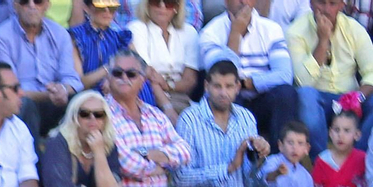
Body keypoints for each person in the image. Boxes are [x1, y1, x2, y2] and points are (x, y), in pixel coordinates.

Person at [172, 58, 265, 187]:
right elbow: (180, 179)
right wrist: (228, 168)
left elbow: (251, 183)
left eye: (229, 86)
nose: (223, 92)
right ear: (207, 86)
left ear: (238, 87)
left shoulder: (246, 118)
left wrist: (259, 159)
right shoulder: (189, 120)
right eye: (217, 86)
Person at [200, 0, 297, 146]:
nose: (243, 2)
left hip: (262, 99)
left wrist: (247, 83)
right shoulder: (210, 32)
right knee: (225, 92)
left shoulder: (271, 29)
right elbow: (221, 75)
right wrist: (235, 34)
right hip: (230, 99)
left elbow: (284, 75)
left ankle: (279, 160)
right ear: (226, 2)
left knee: (286, 93)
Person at [105, 49, 192, 187]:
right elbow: (127, 165)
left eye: (131, 74)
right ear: (109, 77)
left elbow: (185, 151)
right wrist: (163, 167)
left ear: (142, 80)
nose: (124, 78)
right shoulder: (101, 113)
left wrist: (147, 153)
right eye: (117, 73)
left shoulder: (154, 114)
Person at [287, 0, 373, 152]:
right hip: (318, 103)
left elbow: (371, 71)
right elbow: (302, 81)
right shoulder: (295, 32)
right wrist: (323, 41)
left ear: (342, 6)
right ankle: (322, 161)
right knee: (305, 95)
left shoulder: (354, 28)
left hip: (351, 100)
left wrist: (357, 98)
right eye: (321, 2)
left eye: (332, 3)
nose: (326, 9)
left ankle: (356, 159)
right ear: (311, 3)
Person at [0, 0, 82, 139]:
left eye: (38, 1)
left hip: (56, 100)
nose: (32, 6)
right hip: (24, 102)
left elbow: (72, 78)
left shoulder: (60, 34)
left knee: (83, 101)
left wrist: (63, 90)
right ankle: (34, 159)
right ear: (15, 6)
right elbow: (10, 87)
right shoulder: (2, 36)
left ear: (47, 5)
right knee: (24, 105)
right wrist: (47, 95)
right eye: (24, 2)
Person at [131, 0, 199, 123]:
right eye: (156, 2)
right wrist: (167, 106)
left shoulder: (189, 32)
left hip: (181, 96)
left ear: (176, 7)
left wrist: (168, 85)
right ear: (147, 5)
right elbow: (147, 74)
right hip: (149, 96)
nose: (162, 6)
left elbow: (190, 80)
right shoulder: (137, 28)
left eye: (169, 3)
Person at [73, 0, 138, 96]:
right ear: (87, 8)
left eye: (112, 8)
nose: (107, 11)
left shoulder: (121, 37)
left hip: (119, 93)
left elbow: (138, 68)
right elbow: (79, 83)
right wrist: (108, 70)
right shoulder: (76, 36)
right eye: (101, 7)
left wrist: (112, 80)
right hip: (89, 97)